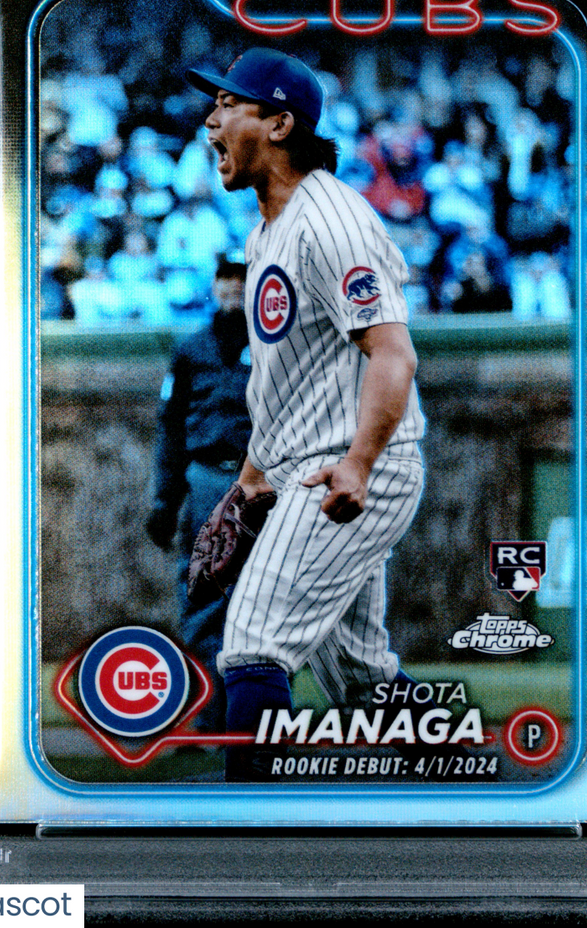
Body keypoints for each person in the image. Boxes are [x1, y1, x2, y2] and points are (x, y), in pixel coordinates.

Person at [185, 48, 426, 778]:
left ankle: (248, 830)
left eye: (228, 104)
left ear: (280, 124)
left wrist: (359, 464)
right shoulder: (266, 233)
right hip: (307, 468)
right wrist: (247, 482)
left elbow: (393, 356)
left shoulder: (331, 221)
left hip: (348, 472)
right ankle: (476, 800)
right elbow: (283, 386)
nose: (210, 121)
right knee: (361, 680)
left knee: (252, 644)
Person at [147, 257, 251, 733]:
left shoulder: (277, 345)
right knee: (204, 596)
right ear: (214, 287)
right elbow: (170, 428)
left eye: (242, 282)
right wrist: (164, 502)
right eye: (226, 282)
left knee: (261, 599)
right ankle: (209, 718)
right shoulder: (191, 349)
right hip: (207, 477)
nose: (233, 291)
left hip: (263, 482)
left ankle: (258, 712)